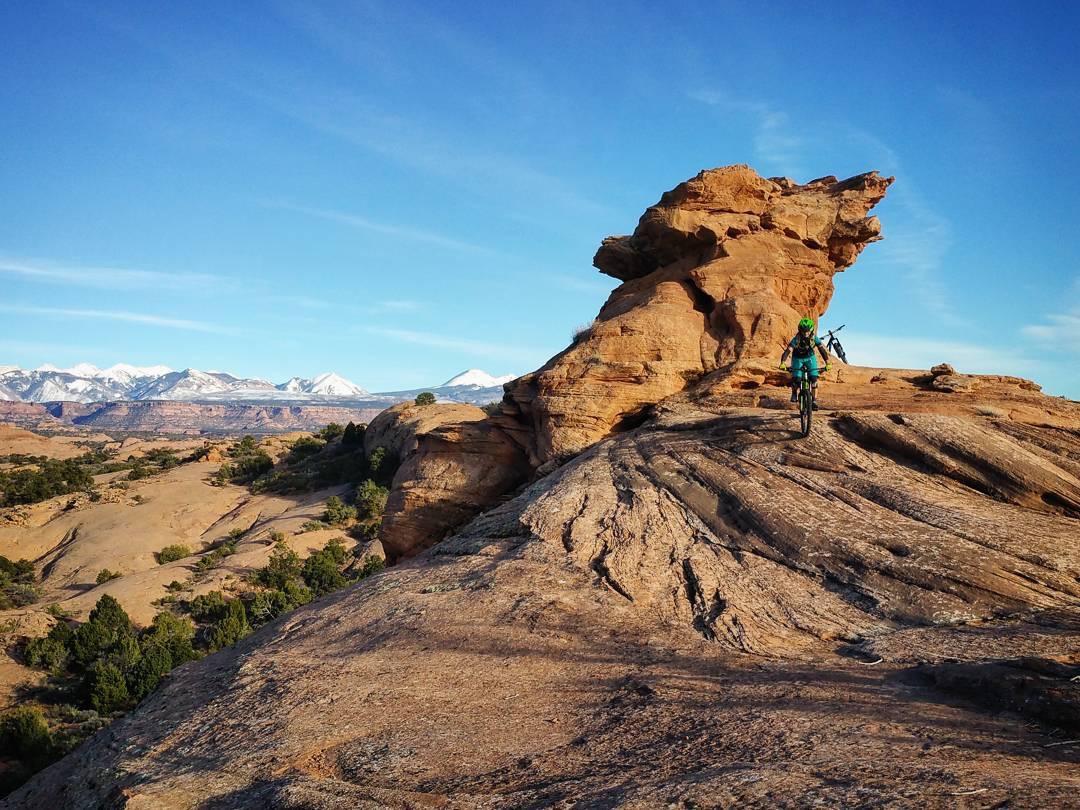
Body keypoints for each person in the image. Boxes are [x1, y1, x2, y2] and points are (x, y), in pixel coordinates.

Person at [779, 317, 830, 409]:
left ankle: (814, 400)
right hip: (797, 359)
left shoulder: (814, 338)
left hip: (810, 358)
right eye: (803, 331)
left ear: (811, 330)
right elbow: (788, 350)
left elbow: (822, 350)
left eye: (808, 331)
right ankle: (794, 393)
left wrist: (827, 363)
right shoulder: (796, 339)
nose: (806, 334)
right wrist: (782, 362)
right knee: (796, 379)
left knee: (814, 379)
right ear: (800, 330)